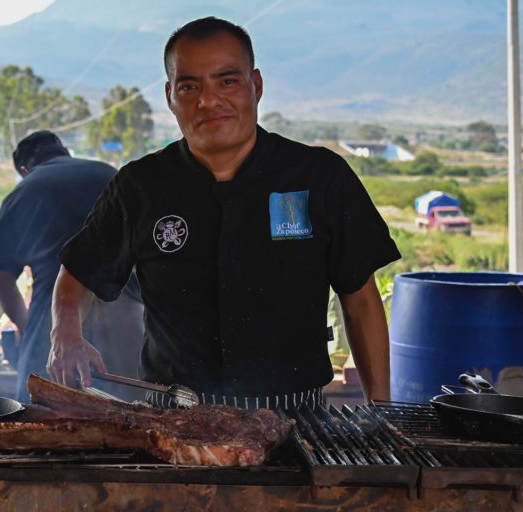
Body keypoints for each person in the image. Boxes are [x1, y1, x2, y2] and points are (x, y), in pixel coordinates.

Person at [48, 17, 401, 408]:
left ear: (257, 86)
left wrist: (380, 409)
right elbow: (77, 273)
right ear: (170, 96)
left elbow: (361, 300)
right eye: (189, 86)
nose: (209, 100)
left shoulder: (320, 176)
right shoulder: (140, 186)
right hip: (174, 416)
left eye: (227, 81)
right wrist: (66, 336)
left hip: (296, 416)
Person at [0, 130, 144, 402]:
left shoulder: (22, 192)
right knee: (134, 412)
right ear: (65, 153)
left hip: (55, 311)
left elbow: (3, 282)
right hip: (124, 306)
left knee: (40, 412)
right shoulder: (108, 173)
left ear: (25, 169)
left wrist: (27, 328)